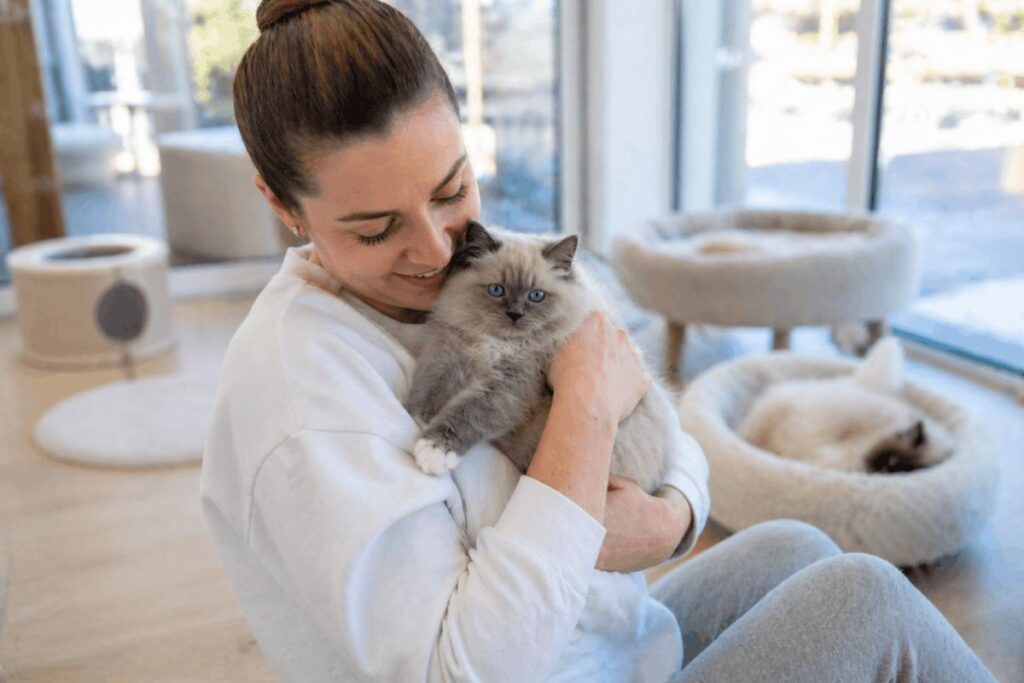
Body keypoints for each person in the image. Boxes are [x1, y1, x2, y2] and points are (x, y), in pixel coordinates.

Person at [199, 2, 998, 681]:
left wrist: (672, 520)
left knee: (799, 542)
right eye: (375, 230)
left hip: (609, 641)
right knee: (864, 595)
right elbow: (464, 665)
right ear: (282, 203)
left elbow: (659, 417)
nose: (439, 252)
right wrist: (583, 407)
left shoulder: (498, 259)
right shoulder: (303, 396)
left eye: (452, 190)